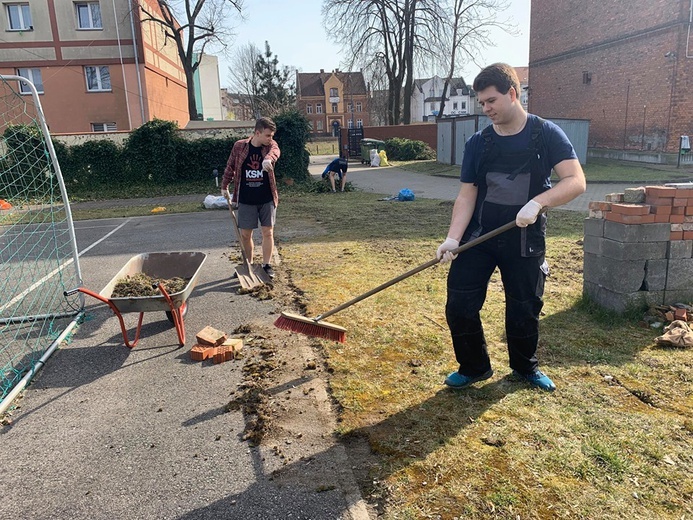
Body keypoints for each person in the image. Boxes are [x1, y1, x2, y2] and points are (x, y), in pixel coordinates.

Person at [436, 63, 586, 392]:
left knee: (524, 306)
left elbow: (576, 181)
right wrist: (453, 238)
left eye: (491, 101)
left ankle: (525, 368)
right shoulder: (479, 142)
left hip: (524, 238)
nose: (486, 109)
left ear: (512, 94)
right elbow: (467, 194)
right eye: (482, 103)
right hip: (480, 236)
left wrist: (539, 203)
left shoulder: (545, 133)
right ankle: (474, 366)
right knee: (459, 304)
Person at [221, 117, 280, 279]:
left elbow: (275, 152)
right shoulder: (240, 147)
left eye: (272, 135)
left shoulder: (270, 146)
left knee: (268, 232)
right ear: (257, 133)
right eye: (268, 135)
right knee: (246, 235)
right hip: (246, 198)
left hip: (266, 197)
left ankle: (267, 265)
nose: (270, 139)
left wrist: (268, 159)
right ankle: (248, 264)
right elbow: (230, 166)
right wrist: (224, 186)